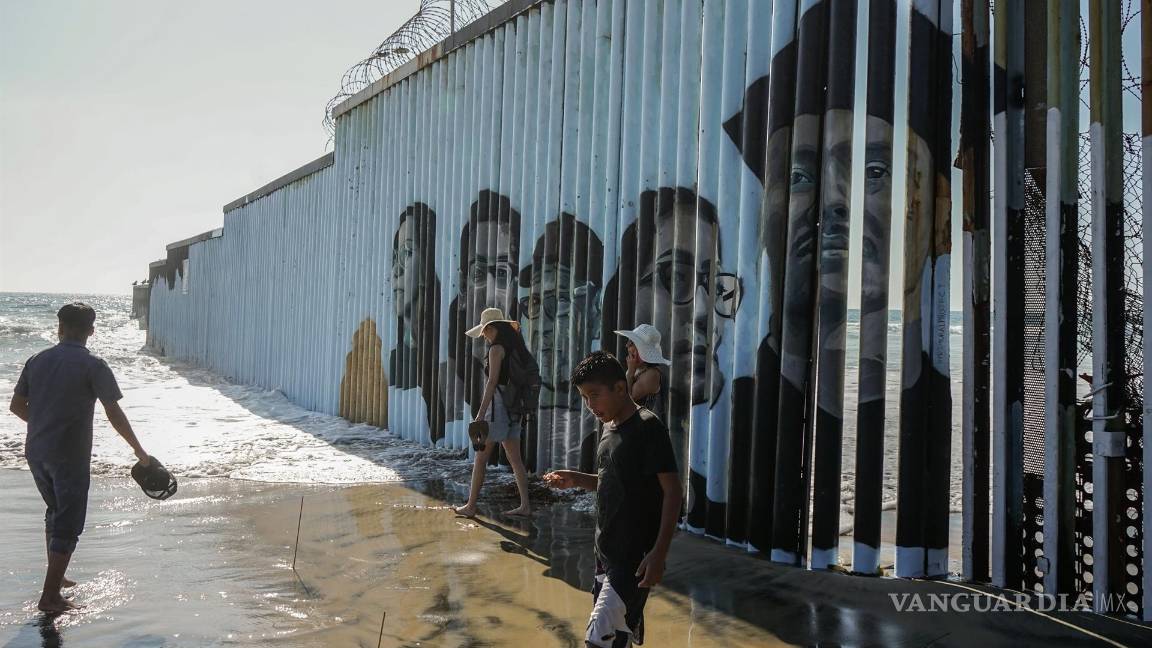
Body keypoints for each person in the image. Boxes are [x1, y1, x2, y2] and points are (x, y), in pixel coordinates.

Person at [7, 303, 151, 613]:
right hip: (69, 453)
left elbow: (17, 406)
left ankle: (56, 578)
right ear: (91, 331)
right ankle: (50, 597)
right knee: (69, 522)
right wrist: (138, 450)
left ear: (59, 327)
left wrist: (45, 424)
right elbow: (113, 411)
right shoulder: (93, 365)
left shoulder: (37, 360)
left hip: (36, 450)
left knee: (55, 510)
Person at [544, 351, 681, 648]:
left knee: (598, 641)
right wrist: (575, 479)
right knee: (617, 639)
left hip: (633, 559)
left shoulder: (648, 427)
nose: (590, 405)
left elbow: (672, 491)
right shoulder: (608, 428)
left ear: (620, 388)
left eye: (594, 395)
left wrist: (659, 553)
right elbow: (612, 482)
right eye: (584, 397)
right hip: (604, 554)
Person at [453, 307, 532, 518]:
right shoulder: (516, 348)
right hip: (515, 406)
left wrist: (480, 414)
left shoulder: (496, 349)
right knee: (515, 460)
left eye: (484, 331)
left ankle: (470, 506)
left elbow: (492, 383)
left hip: (498, 408)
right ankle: (525, 505)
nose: (483, 336)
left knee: (480, 458)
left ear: (491, 328)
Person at [614, 324, 670, 419]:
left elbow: (625, 401)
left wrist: (630, 372)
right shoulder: (638, 369)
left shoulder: (652, 374)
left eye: (631, 343)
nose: (627, 345)